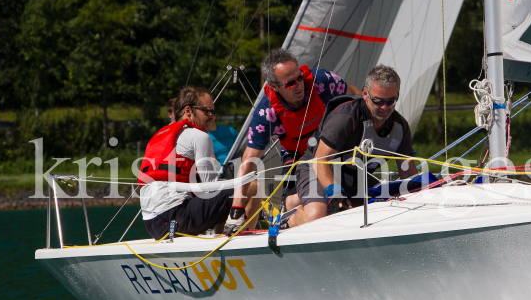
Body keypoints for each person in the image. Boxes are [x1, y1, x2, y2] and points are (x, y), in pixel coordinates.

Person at [224, 48, 359, 235]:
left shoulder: (322, 81)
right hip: (298, 158)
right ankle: (286, 218)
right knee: (306, 208)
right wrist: (236, 208)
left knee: (352, 197)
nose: (298, 86)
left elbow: (356, 98)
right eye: (289, 84)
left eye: (299, 78)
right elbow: (249, 160)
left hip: (334, 150)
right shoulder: (267, 113)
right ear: (273, 87)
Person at [289, 65, 418, 227]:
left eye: (390, 101)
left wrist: (424, 193)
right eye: (378, 101)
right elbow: (320, 160)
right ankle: (288, 220)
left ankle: (298, 199)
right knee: (318, 216)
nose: (385, 108)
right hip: (316, 168)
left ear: (397, 95)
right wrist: (334, 194)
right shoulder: (345, 117)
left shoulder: (400, 127)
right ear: (365, 94)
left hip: (355, 178)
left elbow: (409, 174)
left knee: (381, 213)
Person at [138, 86, 232, 240]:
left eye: (213, 112)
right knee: (241, 190)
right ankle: (228, 238)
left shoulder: (161, 134)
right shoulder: (199, 136)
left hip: (152, 224)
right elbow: (211, 187)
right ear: (188, 111)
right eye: (207, 111)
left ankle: (220, 236)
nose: (212, 117)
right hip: (175, 217)